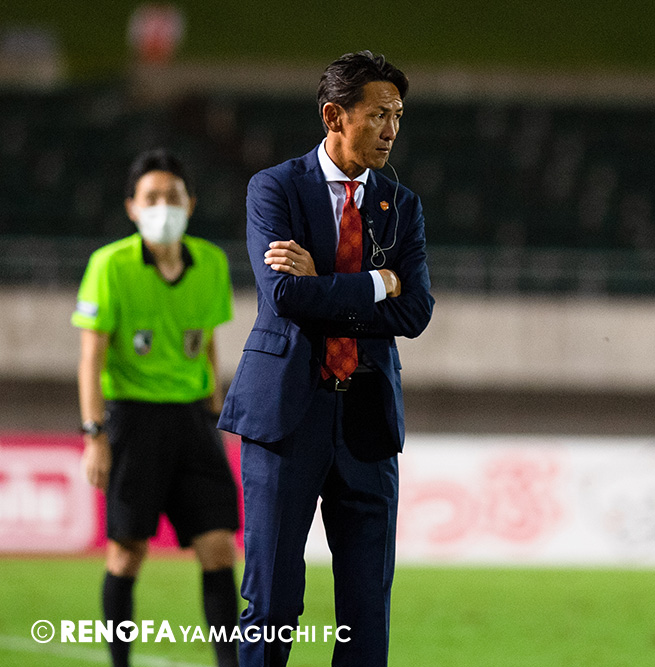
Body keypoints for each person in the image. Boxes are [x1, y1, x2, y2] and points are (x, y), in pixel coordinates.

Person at [218, 50, 433, 666]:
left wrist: (329, 287)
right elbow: (285, 296)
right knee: (273, 604)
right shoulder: (275, 188)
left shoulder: (402, 205)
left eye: (398, 115)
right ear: (334, 116)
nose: (392, 129)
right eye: (379, 114)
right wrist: (377, 284)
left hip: (368, 421)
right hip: (287, 416)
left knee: (367, 617)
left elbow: (415, 313)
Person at [74, 149, 240, 667]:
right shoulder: (109, 265)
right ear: (131, 207)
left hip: (193, 420)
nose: (162, 206)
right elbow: (90, 358)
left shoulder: (212, 263)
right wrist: (94, 434)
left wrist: (215, 408)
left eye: (173, 196)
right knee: (127, 553)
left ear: (190, 204)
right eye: (151, 197)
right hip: (132, 418)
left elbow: (206, 341)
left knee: (219, 548)